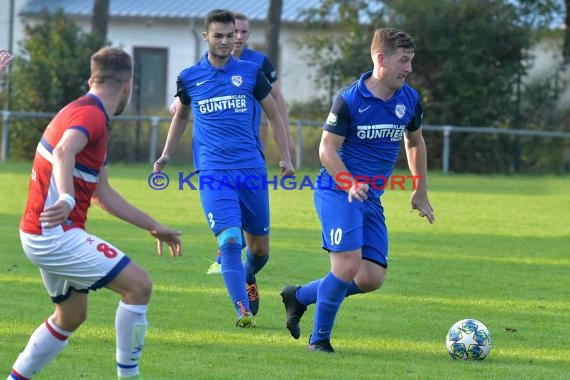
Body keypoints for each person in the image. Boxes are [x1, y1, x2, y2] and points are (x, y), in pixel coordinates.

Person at [7, 47, 182, 380]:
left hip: (40, 232)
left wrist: (154, 225)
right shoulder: (91, 115)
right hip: (54, 234)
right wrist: (68, 200)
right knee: (139, 286)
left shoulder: (84, 111)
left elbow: (103, 194)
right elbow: (63, 151)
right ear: (128, 85)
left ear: (91, 79)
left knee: (70, 315)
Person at [280, 28, 435, 353]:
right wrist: (350, 183)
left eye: (411, 61)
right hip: (338, 190)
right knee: (347, 265)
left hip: (370, 197)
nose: (408, 69)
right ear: (381, 59)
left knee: (370, 278)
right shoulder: (350, 99)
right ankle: (318, 340)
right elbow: (326, 149)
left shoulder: (409, 99)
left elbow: (414, 141)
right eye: (403, 61)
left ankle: (300, 296)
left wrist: (419, 189)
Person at [153, 9, 294, 327]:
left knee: (260, 250)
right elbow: (182, 116)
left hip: (252, 171)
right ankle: (242, 310)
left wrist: (284, 156)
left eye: (231, 35)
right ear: (206, 37)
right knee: (229, 240)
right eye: (219, 35)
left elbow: (273, 115)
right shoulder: (189, 77)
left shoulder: (249, 73)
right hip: (213, 173)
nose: (226, 41)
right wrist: (165, 155)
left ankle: (248, 275)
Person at [203, 11, 294, 276]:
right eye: (235, 32)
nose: (238, 37)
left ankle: (242, 257)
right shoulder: (207, 66)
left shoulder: (258, 64)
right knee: (227, 202)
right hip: (218, 155)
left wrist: (286, 138)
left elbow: (276, 102)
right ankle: (229, 247)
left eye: (243, 33)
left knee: (251, 208)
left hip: (253, 147)